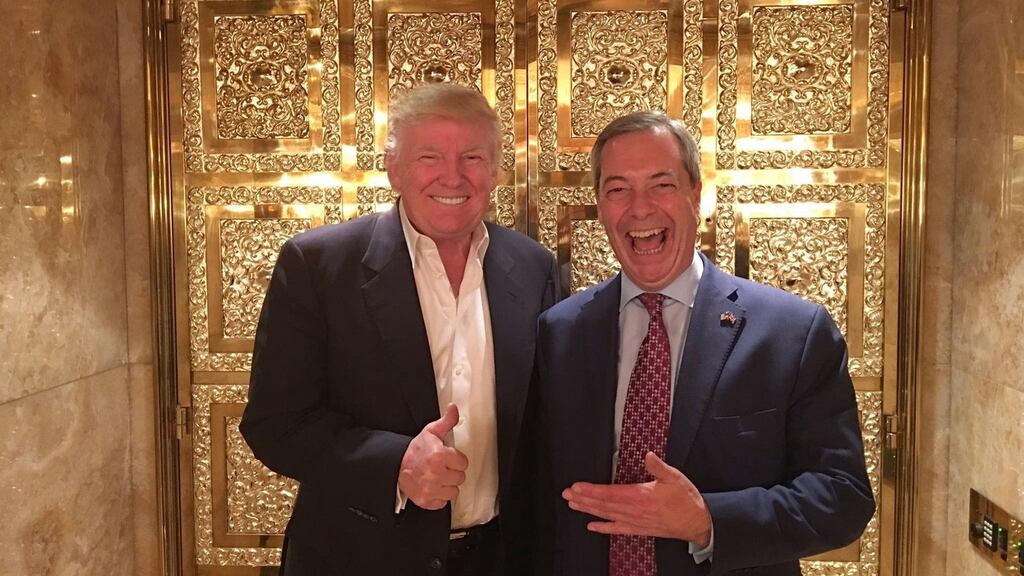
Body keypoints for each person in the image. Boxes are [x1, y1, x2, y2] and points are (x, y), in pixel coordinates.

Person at [532, 111, 874, 576]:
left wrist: (707, 521)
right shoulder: (560, 332)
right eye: (618, 189)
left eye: (661, 185)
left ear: (696, 195)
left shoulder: (792, 332)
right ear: (600, 204)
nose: (639, 208)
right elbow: (537, 496)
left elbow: (843, 497)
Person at [241, 83, 558, 575]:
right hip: (358, 561)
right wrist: (395, 464)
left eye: (472, 157)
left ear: (496, 171)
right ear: (394, 168)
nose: (452, 176)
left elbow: (545, 423)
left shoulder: (535, 267)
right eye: (429, 157)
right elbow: (274, 425)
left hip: (499, 560)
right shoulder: (318, 265)